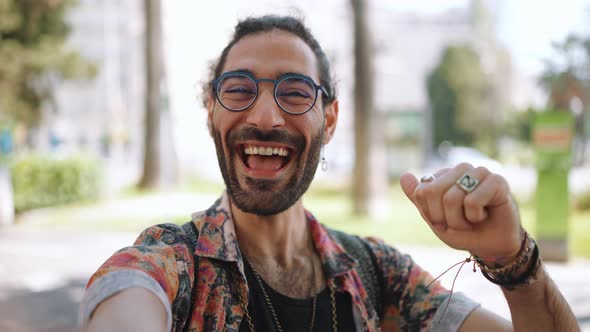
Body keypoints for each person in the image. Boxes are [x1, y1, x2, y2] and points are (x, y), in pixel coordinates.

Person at [80, 15, 579, 332]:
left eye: (295, 92)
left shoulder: (377, 273)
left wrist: (514, 261)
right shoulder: (173, 263)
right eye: (238, 89)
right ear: (212, 110)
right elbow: (128, 299)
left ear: (331, 119)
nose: (266, 118)